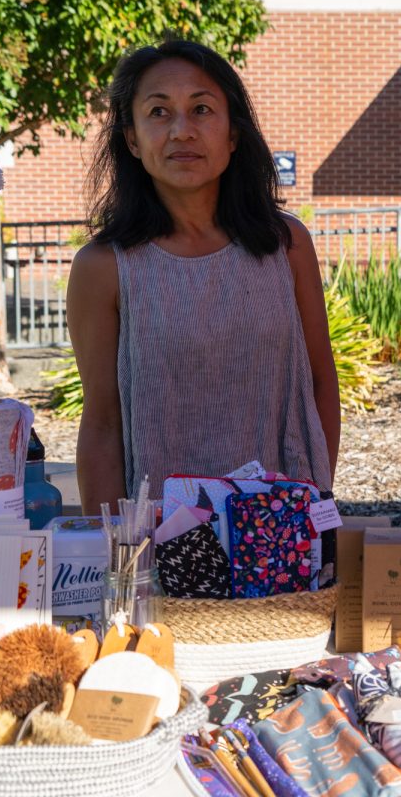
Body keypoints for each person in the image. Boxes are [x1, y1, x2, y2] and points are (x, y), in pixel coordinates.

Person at [67, 39, 340, 512]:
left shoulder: (286, 245)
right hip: (161, 546)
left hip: (281, 539)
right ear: (131, 138)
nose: (181, 131)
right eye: (158, 112)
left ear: (233, 134)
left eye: (201, 109)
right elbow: (104, 424)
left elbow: (321, 383)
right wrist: (115, 552)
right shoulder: (104, 268)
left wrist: (309, 507)